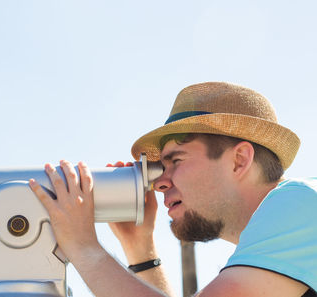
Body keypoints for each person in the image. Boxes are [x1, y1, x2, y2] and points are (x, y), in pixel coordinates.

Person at [29, 82, 317, 297]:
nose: (160, 182)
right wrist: (140, 248)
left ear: (239, 160)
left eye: (176, 161)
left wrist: (83, 247)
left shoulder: (301, 203)